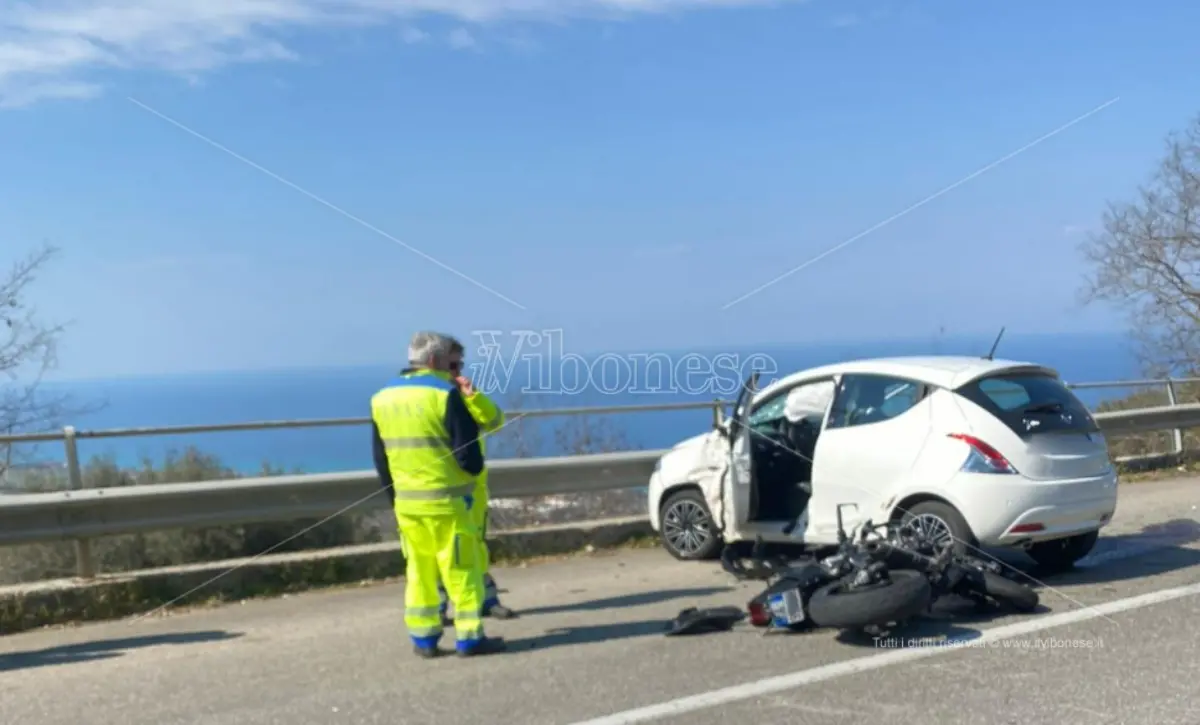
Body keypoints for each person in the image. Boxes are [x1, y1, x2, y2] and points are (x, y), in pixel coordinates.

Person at [370, 331, 506, 658]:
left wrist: (397, 497)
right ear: (435, 361)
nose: (457, 371)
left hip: (408, 505)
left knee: (419, 572)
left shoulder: (381, 398)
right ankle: (470, 638)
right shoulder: (446, 395)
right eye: (454, 364)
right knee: (462, 570)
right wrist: (472, 477)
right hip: (450, 503)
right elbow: (468, 457)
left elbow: (380, 458)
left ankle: (424, 639)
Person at [436, 341, 517, 621]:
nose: (458, 371)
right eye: (453, 365)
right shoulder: (434, 398)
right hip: (445, 489)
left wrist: (473, 396)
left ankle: (486, 599)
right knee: (442, 552)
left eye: (461, 365)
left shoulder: (463, 395)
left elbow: (495, 421)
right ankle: (438, 606)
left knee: (476, 546)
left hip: (474, 487)